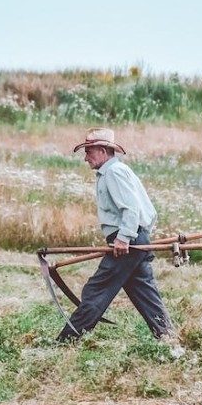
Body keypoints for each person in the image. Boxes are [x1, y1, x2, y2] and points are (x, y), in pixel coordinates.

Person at [57, 127, 173, 342]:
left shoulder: (114, 172)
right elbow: (146, 211)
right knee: (144, 293)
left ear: (102, 150)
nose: (85, 158)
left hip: (126, 241)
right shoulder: (115, 171)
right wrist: (137, 236)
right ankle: (168, 337)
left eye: (89, 152)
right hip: (133, 239)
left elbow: (131, 209)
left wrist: (124, 238)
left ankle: (68, 339)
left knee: (96, 290)